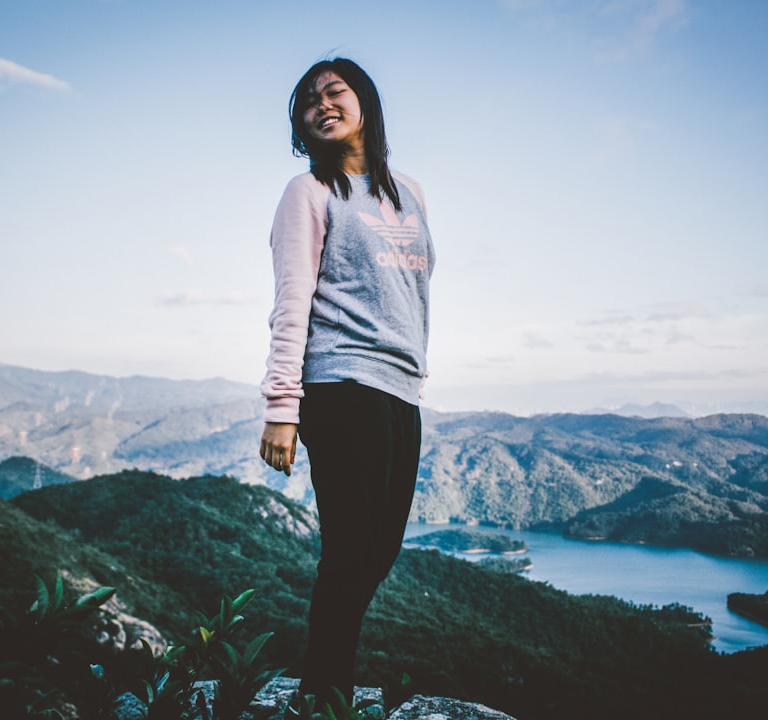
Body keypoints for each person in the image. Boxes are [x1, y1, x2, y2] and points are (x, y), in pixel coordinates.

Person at [258, 57, 435, 713]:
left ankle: (322, 686)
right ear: (302, 127)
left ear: (365, 101)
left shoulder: (409, 191)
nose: (321, 103)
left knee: (378, 551)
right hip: (338, 383)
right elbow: (291, 299)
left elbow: (412, 295)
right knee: (352, 550)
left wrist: (415, 372)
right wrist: (282, 407)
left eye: (334, 90)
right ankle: (322, 694)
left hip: (399, 389)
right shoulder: (307, 194)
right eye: (308, 101)